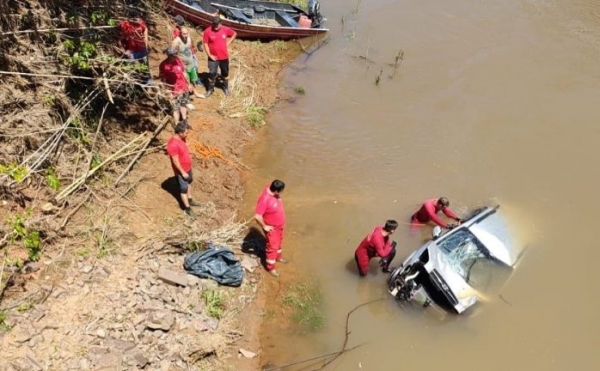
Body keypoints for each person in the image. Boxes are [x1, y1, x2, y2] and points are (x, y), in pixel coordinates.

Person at [166, 122, 201, 217]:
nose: (187, 135)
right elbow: (175, 161)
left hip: (188, 168)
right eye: (186, 133)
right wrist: (182, 172)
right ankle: (187, 209)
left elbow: (184, 148)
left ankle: (190, 199)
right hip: (182, 171)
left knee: (189, 182)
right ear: (180, 133)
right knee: (183, 189)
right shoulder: (172, 145)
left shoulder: (182, 138)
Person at [254, 180, 286, 277]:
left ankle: (278, 257)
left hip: (280, 226)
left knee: (279, 242)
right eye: (281, 191)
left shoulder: (270, 187)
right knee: (272, 247)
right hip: (272, 229)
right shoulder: (265, 200)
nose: (281, 193)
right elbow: (257, 216)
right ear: (276, 191)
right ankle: (270, 267)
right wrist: (265, 226)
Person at [202, 16, 236, 97]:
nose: (216, 26)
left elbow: (234, 33)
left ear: (221, 23)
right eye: (214, 24)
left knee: (225, 73)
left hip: (224, 57)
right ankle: (210, 89)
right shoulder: (207, 31)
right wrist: (209, 55)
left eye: (217, 24)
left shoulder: (225, 29)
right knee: (212, 74)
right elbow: (205, 43)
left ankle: (225, 88)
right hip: (213, 58)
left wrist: (228, 43)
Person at [159, 47, 191, 125]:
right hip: (174, 90)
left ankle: (184, 120)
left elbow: (184, 73)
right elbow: (163, 81)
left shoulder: (178, 60)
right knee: (175, 108)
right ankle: (177, 124)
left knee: (183, 104)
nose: (176, 56)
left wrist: (189, 84)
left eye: (176, 54)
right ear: (169, 55)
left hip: (183, 87)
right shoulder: (163, 65)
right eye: (174, 55)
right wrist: (169, 92)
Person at [119, 9, 151, 84]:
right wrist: (124, 51)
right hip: (132, 50)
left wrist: (146, 41)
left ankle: (148, 82)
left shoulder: (141, 23)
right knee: (130, 68)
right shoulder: (126, 25)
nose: (137, 19)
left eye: (138, 17)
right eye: (135, 18)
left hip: (142, 49)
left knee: (145, 67)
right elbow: (121, 35)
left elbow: (145, 28)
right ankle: (133, 83)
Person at [171, 26, 203, 99]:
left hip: (190, 62)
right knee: (185, 81)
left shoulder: (188, 38)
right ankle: (186, 98)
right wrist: (178, 65)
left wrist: (194, 49)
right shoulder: (176, 41)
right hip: (183, 65)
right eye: (184, 34)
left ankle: (195, 93)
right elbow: (172, 54)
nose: (185, 36)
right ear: (180, 33)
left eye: (186, 33)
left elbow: (191, 45)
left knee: (193, 79)